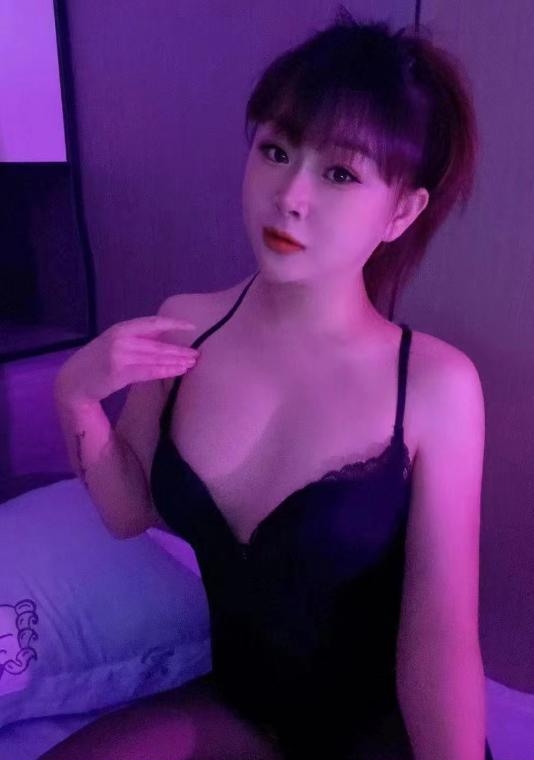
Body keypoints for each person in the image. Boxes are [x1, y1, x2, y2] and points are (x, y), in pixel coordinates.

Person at [42, 7, 493, 760]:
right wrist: (76, 397)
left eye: (340, 173)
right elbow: (127, 512)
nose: (290, 196)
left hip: (373, 741)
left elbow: (439, 642)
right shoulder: (185, 326)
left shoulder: (435, 385)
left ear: (402, 211)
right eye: (277, 150)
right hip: (242, 710)